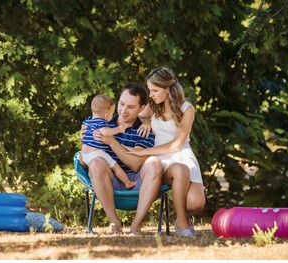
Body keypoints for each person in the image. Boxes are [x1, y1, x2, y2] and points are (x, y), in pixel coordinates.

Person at [125, 67, 206, 238]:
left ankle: (181, 218)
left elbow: (176, 145)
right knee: (178, 170)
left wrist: (144, 152)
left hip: (182, 153)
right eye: (150, 90)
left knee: (197, 204)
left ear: (167, 88)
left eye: (155, 90)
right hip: (161, 160)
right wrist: (146, 122)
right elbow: (136, 116)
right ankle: (182, 222)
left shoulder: (187, 109)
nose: (151, 94)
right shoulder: (153, 106)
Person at [81, 83, 163, 235]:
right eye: (121, 104)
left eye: (131, 107)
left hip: (138, 182)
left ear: (141, 108)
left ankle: (136, 225)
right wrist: (85, 145)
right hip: (109, 180)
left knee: (154, 163)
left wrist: (111, 141)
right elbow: (84, 162)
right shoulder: (103, 123)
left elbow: (135, 164)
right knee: (96, 163)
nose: (123, 111)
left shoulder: (144, 129)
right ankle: (115, 223)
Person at [80, 94, 136, 189]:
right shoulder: (101, 122)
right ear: (106, 115)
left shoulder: (87, 120)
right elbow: (105, 132)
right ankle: (127, 182)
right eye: (111, 114)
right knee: (115, 166)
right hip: (96, 154)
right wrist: (119, 129)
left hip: (84, 155)